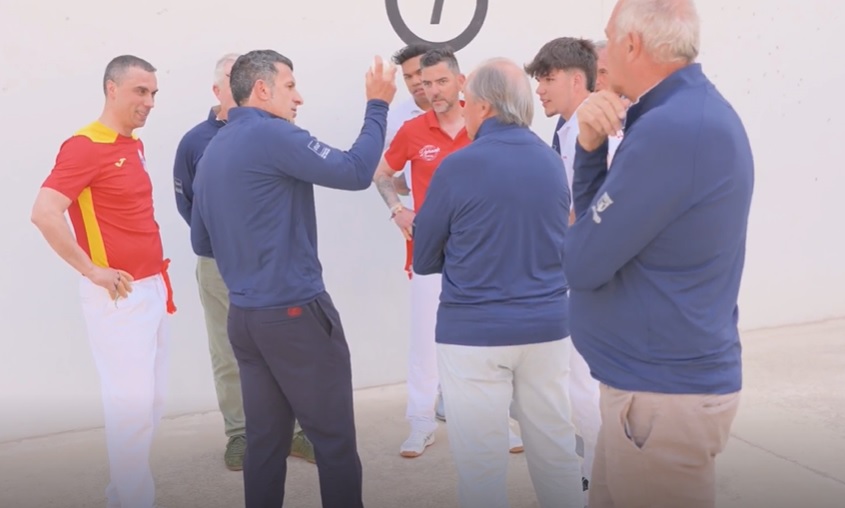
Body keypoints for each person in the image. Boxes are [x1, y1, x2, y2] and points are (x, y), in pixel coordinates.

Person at [565, 1, 754, 507]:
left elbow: (581, 262)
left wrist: (588, 153)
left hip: (659, 401)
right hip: (650, 393)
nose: (601, 55)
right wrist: (590, 149)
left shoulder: (673, 129)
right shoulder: (682, 116)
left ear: (632, 45)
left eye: (608, 38)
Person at [190, 49, 396, 508]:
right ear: (262, 89)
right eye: (290, 86)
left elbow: (201, 239)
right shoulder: (273, 134)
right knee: (334, 443)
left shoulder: (213, 149)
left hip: (246, 318)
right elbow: (356, 171)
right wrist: (377, 105)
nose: (298, 97)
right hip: (295, 315)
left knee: (265, 445)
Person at [412, 57, 584, 508]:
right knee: (557, 451)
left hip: (474, 335)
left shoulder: (457, 166)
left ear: (484, 107)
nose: (463, 110)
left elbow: (425, 256)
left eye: (467, 102)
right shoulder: (551, 162)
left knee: (481, 466)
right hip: (547, 328)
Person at [30, 54, 175, 508]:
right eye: (140, 91)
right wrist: (92, 270)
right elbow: (45, 212)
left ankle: (122, 495)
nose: (149, 102)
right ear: (112, 89)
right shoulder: (84, 146)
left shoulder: (132, 144)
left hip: (152, 288)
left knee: (150, 406)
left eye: (153, 93)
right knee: (132, 412)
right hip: (119, 297)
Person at [373, 47, 525, 457]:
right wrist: (398, 210)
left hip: (486, 256)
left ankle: (497, 420)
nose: (433, 90)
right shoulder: (412, 130)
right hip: (431, 254)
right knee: (427, 341)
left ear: (461, 82)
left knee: (488, 341)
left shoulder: (485, 126)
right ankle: (421, 422)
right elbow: (382, 173)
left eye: (441, 81)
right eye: (425, 84)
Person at [172, 53, 315, 470]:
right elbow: (188, 204)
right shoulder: (196, 141)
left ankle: (294, 432)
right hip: (218, 266)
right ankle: (239, 434)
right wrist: (227, 243)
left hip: (273, 266)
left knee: (285, 349)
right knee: (228, 352)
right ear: (218, 90)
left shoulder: (278, 132)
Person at [524, 36, 603, 492]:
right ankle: (597, 468)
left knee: (583, 381)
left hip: (591, 274)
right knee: (578, 381)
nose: (539, 90)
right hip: (575, 269)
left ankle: (602, 474)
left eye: (547, 79)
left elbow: (593, 205)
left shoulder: (595, 126)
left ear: (576, 80)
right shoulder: (567, 128)